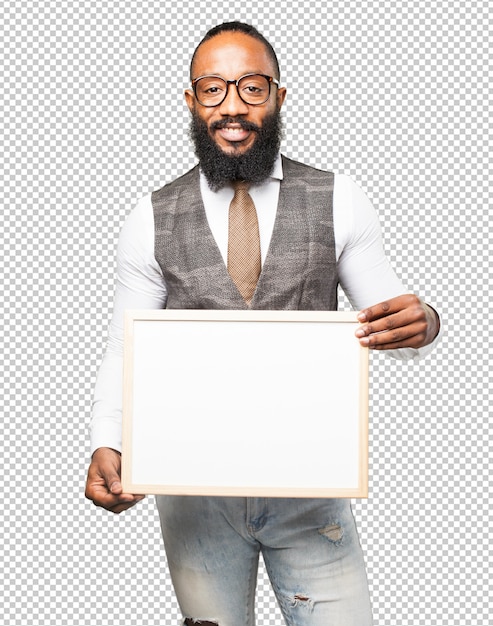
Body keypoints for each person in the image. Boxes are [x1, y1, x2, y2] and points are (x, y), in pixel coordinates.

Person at [85, 21, 441, 626]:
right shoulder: (148, 217)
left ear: (278, 96)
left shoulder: (339, 197)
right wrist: (107, 442)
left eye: (252, 88)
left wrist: (424, 322)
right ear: (192, 101)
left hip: (311, 490)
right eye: (214, 88)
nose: (233, 107)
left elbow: (390, 316)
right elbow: (127, 349)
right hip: (194, 495)